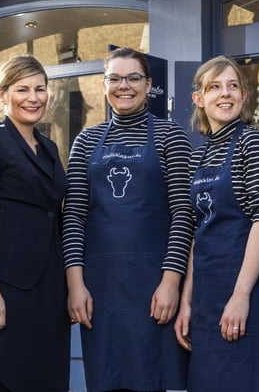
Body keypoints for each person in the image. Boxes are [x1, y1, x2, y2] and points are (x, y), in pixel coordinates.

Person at [62, 46, 193, 392]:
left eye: (133, 78)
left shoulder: (170, 136)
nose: (124, 86)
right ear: (103, 84)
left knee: (154, 380)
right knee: (107, 381)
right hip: (99, 289)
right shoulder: (86, 141)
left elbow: (183, 214)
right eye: (115, 78)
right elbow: (73, 217)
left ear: (148, 84)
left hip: (153, 286)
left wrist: (171, 283)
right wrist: (75, 286)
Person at [0, 55, 70, 392]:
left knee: (44, 381)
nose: (33, 98)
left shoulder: (49, 148)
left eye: (40, 89)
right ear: (2, 94)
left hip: (47, 289)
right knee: (3, 379)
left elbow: (57, 218)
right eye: (22, 89)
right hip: (1, 286)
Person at [174, 56, 259, 392]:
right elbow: (197, 233)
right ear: (199, 98)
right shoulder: (198, 156)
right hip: (206, 294)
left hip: (244, 288)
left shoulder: (254, 143)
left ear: (244, 95)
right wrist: (187, 303)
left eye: (233, 86)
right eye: (215, 87)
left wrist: (241, 295)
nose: (225, 93)